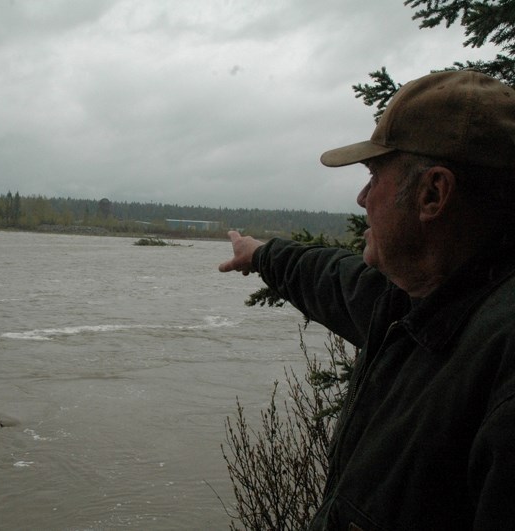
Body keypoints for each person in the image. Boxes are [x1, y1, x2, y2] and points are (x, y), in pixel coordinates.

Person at [218, 69, 515, 530]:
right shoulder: (418, 298)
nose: (361, 197)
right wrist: (262, 255)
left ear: (433, 194)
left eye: (375, 175)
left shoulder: (500, 359)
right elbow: (331, 278)